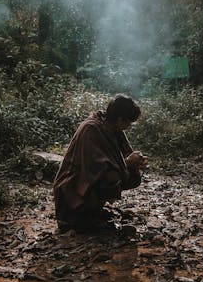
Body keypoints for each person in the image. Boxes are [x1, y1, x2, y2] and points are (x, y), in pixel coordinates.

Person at [53, 94, 148, 233]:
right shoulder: (91, 129)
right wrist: (127, 163)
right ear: (121, 119)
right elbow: (96, 169)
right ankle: (80, 216)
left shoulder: (112, 127)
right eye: (129, 123)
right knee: (111, 177)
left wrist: (137, 161)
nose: (128, 127)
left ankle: (93, 211)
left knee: (128, 175)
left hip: (89, 181)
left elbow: (125, 154)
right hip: (72, 188)